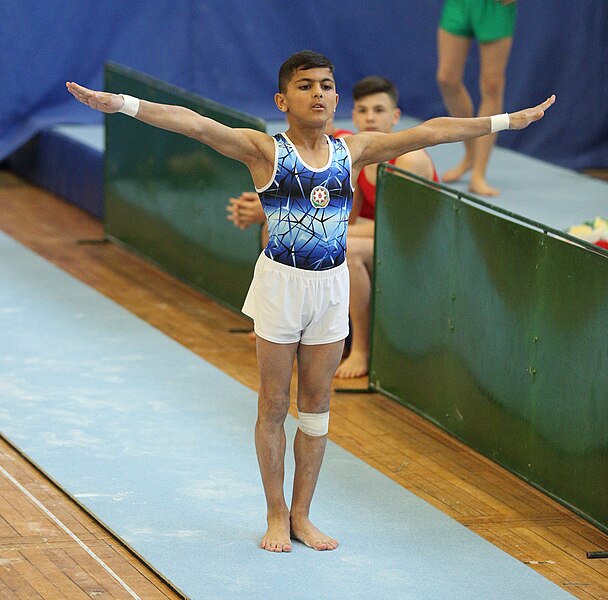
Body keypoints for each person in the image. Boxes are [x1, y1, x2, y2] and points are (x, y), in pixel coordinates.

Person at [66, 50, 553, 554]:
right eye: (305, 86)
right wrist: (121, 103)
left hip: (330, 287)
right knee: (275, 404)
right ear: (282, 99)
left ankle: (302, 515)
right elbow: (195, 125)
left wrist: (507, 120)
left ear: (337, 97)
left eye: (325, 85)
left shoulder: (354, 150)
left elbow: (431, 132)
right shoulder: (265, 152)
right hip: (281, 286)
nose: (318, 93)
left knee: (317, 406)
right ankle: (275, 513)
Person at [335, 76, 439, 379]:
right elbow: (346, 218)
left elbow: (401, 233)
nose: (370, 117)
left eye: (379, 110)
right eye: (363, 110)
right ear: (353, 116)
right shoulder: (356, 155)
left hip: (422, 248)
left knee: (348, 251)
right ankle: (324, 339)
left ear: (395, 117)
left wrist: (339, 233)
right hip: (388, 240)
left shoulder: (409, 159)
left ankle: (361, 351)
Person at [226, 115, 353, 247]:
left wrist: (274, 209)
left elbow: (345, 216)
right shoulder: (288, 150)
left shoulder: (345, 149)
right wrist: (269, 201)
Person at [436, 0, 517, 196]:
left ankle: (479, 173)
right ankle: (471, 153)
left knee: (492, 86)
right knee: (447, 79)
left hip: (495, 6)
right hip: (460, 4)